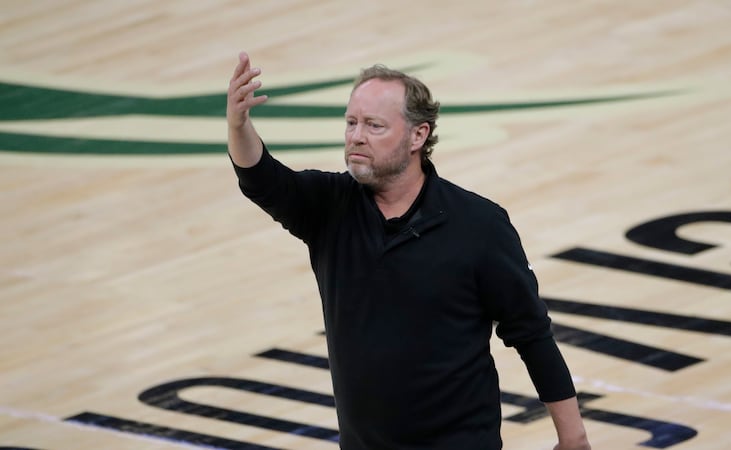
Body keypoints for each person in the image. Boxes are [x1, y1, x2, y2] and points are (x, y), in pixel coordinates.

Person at [227, 51, 591, 450]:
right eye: (351, 123)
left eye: (374, 125)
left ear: (418, 135)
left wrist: (572, 436)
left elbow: (531, 333)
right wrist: (239, 124)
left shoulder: (479, 226)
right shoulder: (329, 208)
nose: (356, 136)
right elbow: (261, 178)